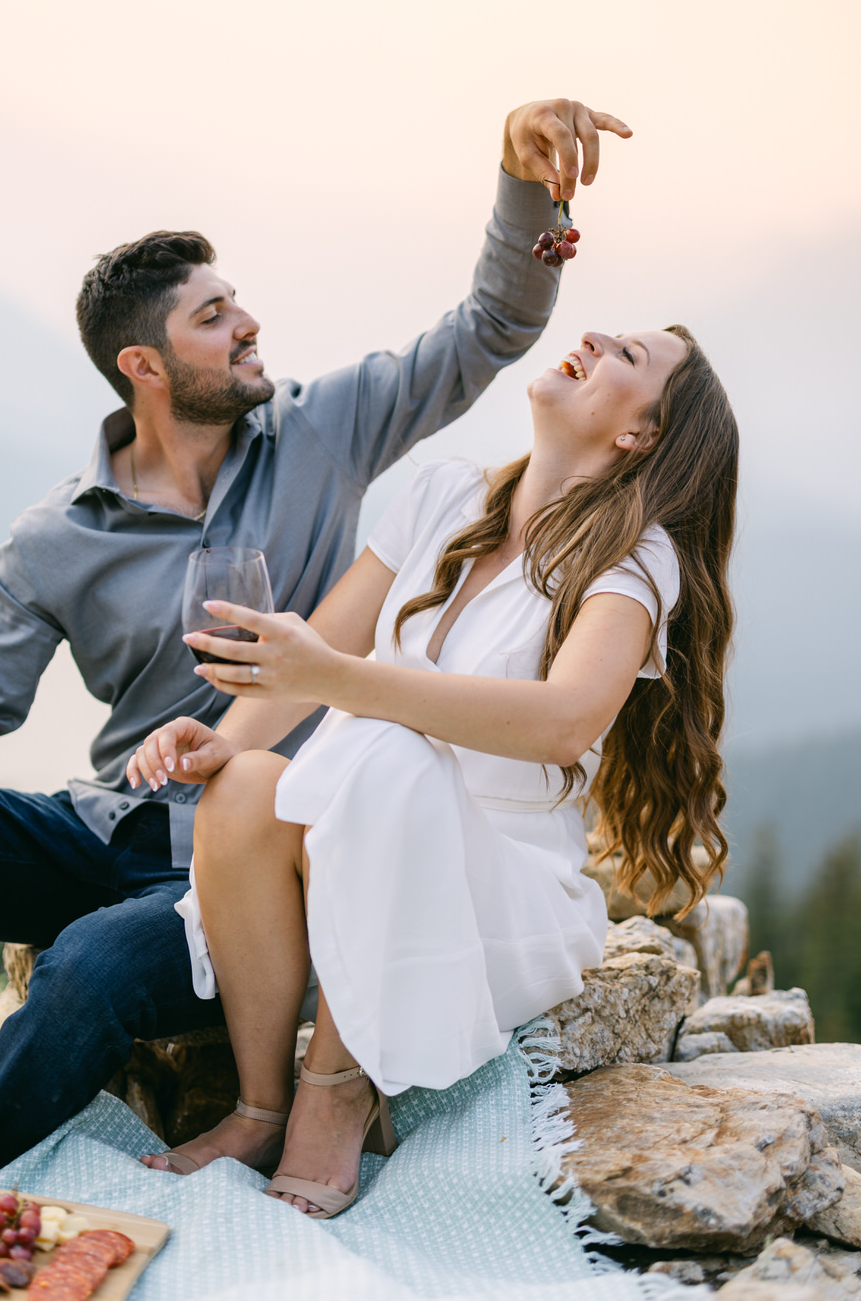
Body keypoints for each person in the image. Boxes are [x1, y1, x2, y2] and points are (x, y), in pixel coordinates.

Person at [0, 98, 633, 1208]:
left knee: (85, 975)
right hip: (108, 826)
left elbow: (490, 327)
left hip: (249, 862)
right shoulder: (56, 537)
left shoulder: (328, 428)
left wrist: (525, 181)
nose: (249, 325)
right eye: (215, 317)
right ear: (147, 365)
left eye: (238, 303)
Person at [126, 318, 738, 1217]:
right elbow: (325, 644)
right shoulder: (444, 494)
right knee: (248, 783)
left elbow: (565, 723)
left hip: (500, 892)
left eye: (629, 357)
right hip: (372, 836)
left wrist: (344, 682)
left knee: (389, 738)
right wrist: (230, 737)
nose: (598, 336)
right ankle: (261, 1106)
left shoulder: (637, 561)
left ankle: (334, 1097)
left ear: (639, 433)